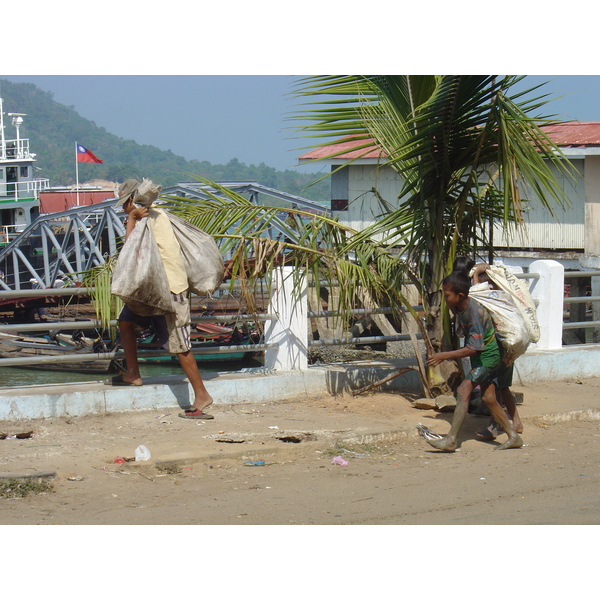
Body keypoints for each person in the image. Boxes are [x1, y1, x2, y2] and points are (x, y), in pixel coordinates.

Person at [105, 178, 214, 420]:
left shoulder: (143, 219)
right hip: (154, 289)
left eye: (125, 204)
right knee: (125, 320)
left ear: (132, 200)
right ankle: (132, 372)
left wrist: (131, 219)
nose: (124, 209)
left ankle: (202, 395)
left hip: (169, 290)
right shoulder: (159, 214)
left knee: (180, 345)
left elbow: (129, 252)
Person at [424, 271, 523, 451]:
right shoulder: (462, 308)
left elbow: (474, 347)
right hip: (485, 357)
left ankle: (452, 440)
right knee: (488, 397)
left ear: (460, 296)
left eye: (447, 296)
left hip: (488, 358)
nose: (445, 299)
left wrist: (442, 356)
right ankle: (513, 436)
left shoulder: (473, 313)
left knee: (463, 390)